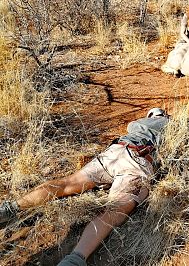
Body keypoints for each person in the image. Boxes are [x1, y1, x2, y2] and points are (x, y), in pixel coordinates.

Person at [0, 108, 170, 266]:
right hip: (138, 161)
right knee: (116, 210)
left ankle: (9, 209)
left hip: (114, 153)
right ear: (163, 116)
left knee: (66, 184)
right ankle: (75, 260)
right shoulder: (171, 124)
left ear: (150, 116)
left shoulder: (136, 124)